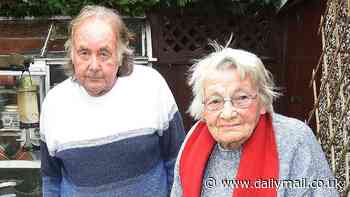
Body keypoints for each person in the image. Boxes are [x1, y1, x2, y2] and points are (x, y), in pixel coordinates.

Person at [40, 5, 185, 197]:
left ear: (120, 55)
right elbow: (51, 179)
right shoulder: (54, 103)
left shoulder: (151, 85)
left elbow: (177, 161)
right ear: (72, 55)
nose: (93, 66)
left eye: (103, 53)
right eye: (84, 53)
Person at [170, 44, 339, 197]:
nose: (228, 113)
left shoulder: (295, 139)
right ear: (203, 108)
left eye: (242, 97)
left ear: (263, 101)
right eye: (215, 101)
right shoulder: (193, 141)